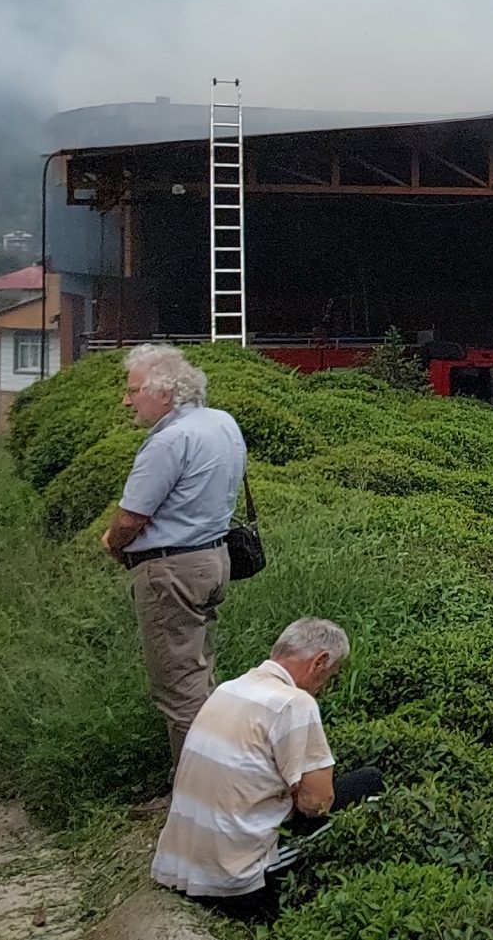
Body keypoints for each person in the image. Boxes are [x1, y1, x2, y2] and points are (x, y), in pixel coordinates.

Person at [151, 617, 384, 922]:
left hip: (178, 871)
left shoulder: (229, 689)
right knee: (369, 784)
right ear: (319, 662)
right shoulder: (295, 704)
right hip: (235, 885)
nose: (324, 688)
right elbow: (317, 804)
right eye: (330, 676)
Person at [104, 344, 248, 765]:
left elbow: (131, 517)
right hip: (214, 558)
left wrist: (112, 543)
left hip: (172, 570)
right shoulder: (222, 422)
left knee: (179, 690)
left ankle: (196, 789)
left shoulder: (169, 440)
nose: (126, 400)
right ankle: (219, 773)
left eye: (134, 391)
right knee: (199, 675)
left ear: (165, 394)